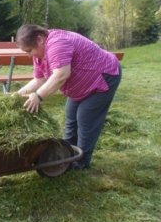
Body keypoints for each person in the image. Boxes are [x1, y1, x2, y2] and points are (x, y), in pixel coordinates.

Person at [15, 24, 122, 169]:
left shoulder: (57, 43)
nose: (29, 54)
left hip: (103, 76)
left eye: (29, 50)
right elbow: (39, 80)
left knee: (85, 118)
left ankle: (81, 163)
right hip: (82, 85)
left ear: (39, 39)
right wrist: (17, 95)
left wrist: (38, 96)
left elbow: (61, 75)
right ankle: (66, 156)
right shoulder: (39, 54)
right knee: (71, 116)